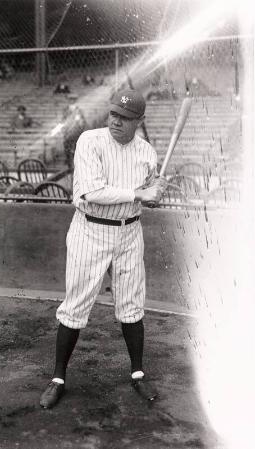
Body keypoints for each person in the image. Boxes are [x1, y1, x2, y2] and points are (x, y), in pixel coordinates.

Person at [39, 89, 168, 409]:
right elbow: (93, 191)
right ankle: (57, 378)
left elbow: (147, 195)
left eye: (125, 118)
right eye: (113, 114)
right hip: (91, 231)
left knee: (132, 305)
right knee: (76, 305)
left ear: (139, 121)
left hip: (129, 233)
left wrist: (156, 193)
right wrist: (140, 193)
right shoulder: (89, 140)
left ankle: (138, 374)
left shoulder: (147, 152)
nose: (116, 122)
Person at [62, 94, 87, 170]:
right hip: (68, 132)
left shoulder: (79, 110)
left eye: (73, 100)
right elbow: (63, 120)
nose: (71, 101)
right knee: (66, 146)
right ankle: (69, 163)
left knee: (76, 148)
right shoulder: (66, 110)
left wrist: (80, 127)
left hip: (76, 132)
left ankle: (78, 164)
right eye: (70, 100)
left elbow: (83, 121)